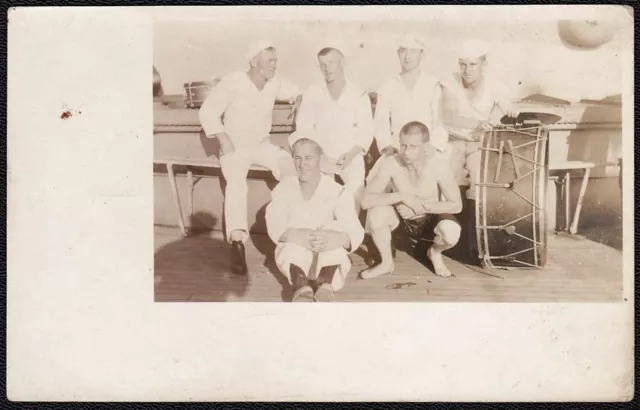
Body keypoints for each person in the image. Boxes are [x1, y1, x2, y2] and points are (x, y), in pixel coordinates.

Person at [199, 40, 301, 275]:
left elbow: (296, 91)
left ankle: (294, 231)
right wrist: (222, 138)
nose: (274, 65)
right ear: (254, 62)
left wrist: (299, 100)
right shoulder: (234, 81)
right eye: (269, 61)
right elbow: (208, 110)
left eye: (275, 60)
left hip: (261, 145)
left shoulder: (275, 82)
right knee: (236, 184)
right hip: (234, 145)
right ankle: (237, 242)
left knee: (290, 169)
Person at [265, 135, 365, 302]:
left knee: (337, 227)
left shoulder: (336, 191)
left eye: (308, 158)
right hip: (297, 254)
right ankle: (301, 285)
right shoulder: (284, 188)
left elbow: (354, 227)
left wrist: (339, 237)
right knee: (289, 239)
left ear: (320, 159)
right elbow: (274, 221)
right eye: (297, 158)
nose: (302, 164)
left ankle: (325, 284)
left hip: (327, 254)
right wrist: (295, 235)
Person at [360, 121, 462, 279]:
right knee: (376, 214)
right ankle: (387, 263)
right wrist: (403, 197)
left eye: (413, 146)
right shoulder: (392, 163)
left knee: (451, 233)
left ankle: (434, 252)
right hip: (401, 219)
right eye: (403, 145)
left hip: (429, 219)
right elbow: (365, 201)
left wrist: (419, 206)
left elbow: (456, 205)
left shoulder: (438, 166)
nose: (406, 152)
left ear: (426, 147)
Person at [294, 39, 374, 207]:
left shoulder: (358, 94)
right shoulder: (313, 92)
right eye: (322, 64)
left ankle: (350, 231)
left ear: (343, 62)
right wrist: (319, 155)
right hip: (320, 157)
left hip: (350, 158)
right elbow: (304, 129)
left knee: (354, 194)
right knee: (321, 201)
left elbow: (365, 133)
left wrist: (351, 154)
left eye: (331, 62)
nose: (326, 68)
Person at [440, 39, 520, 202]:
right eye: (462, 64)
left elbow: (505, 103)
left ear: (484, 64)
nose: (466, 70)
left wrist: (510, 110)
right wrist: (477, 123)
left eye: (472, 64)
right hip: (453, 142)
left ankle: (472, 224)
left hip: (479, 145)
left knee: (480, 180)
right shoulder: (450, 82)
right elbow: (449, 116)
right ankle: (448, 224)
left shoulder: (494, 86)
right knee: (447, 181)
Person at [372, 34, 449, 159]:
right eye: (403, 51)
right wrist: (387, 146)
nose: (407, 57)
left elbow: (440, 124)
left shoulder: (433, 85)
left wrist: (433, 147)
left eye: (413, 51)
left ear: (421, 54)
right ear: (398, 53)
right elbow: (380, 124)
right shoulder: (387, 86)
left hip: (427, 149)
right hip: (398, 149)